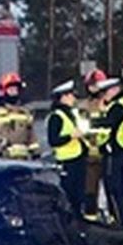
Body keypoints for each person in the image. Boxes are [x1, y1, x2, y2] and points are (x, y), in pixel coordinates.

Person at [47, 79, 90, 216]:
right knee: (70, 195)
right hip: (67, 161)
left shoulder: (72, 113)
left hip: (79, 158)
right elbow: (53, 141)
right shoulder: (56, 117)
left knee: (79, 195)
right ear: (63, 97)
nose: (74, 98)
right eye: (71, 95)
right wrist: (71, 136)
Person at [96, 81, 123, 228]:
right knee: (116, 189)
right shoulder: (120, 104)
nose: (104, 95)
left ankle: (119, 223)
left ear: (115, 89)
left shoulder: (119, 106)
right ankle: (120, 221)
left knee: (114, 189)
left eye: (106, 92)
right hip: (116, 151)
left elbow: (108, 123)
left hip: (114, 152)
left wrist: (90, 123)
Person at [0, 72, 38, 159]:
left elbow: (32, 135)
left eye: (15, 89)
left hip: (23, 160)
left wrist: (35, 151)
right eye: (10, 89)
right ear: (4, 91)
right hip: (2, 159)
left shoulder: (25, 113)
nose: (13, 92)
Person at [81, 69, 114, 219]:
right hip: (89, 154)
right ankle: (91, 219)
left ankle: (112, 220)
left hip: (107, 153)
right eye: (91, 85)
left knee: (111, 189)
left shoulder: (109, 104)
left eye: (97, 85)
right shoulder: (82, 106)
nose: (94, 88)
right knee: (90, 190)